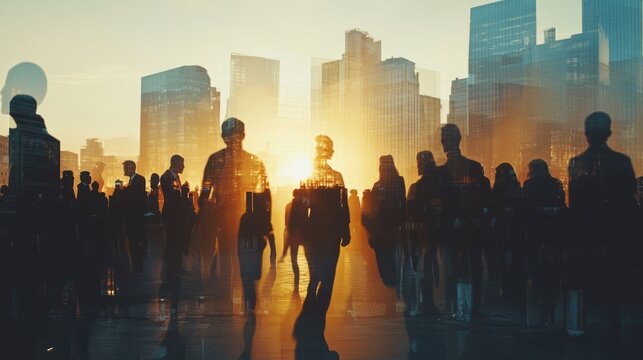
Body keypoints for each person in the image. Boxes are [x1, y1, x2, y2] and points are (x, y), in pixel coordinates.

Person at [568, 111, 637, 334]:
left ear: (586, 134)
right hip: (615, 232)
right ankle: (613, 327)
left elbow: (575, 204)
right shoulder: (621, 162)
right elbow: (629, 197)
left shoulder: (577, 163)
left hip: (588, 233)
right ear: (609, 133)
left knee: (587, 280)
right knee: (614, 282)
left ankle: (583, 324)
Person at [199, 118, 268, 310]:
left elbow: (205, 193)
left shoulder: (216, 160)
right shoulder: (253, 161)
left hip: (232, 218)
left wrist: (205, 215)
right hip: (243, 219)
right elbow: (263, 195)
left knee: (229, 256)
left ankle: (230, 296)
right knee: (238, 257)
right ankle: (245, 294)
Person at [294, 135, 350, 354]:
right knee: (327, 276)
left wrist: (299, 230)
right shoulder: (336, 176)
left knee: (318, 273)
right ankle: (318, 313)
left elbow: (302, 206)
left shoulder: (309, 176)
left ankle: (313, 305)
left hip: (315, 230)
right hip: (330, 231)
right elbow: (343, 205)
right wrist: (345, 229)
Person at [438, 124, 490, 321]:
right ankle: (468, 307)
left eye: (447, 138)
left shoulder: (443, 172)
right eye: (444, 138)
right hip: (466, 227)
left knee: (457, 267)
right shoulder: (472, 168)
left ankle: (458, 307)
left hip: (461, 228)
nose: (445, 142)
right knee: (466, 266)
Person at [523, 159, 566, 326]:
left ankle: (540, 305)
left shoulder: (530, 185)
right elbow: (561, 207)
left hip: (537, 234)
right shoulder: (555, 183)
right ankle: (550, 306)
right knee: (551, 271)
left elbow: (526, 209)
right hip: (552, 234)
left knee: (538, 271)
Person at [406, 151, 442, 314]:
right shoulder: (437, 185)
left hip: (425, 232)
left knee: (425, 266)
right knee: (428, 266)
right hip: (431, 232)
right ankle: (427, 302)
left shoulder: (417, 187)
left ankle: (426, 302)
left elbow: (409, 212)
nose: (419, 166)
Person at [364, 155, 406, 290]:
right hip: (384, 231)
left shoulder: (391, 183)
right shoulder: (380, 185)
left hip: (388, 230)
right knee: (387, 265)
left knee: (388, 264)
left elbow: (401, 204)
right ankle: (391, 297)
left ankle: (391, 298)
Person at [490, 163, 524, 303]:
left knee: (510, 260)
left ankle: (510, 291)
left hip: (510, 230)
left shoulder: (509, 190)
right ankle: (510, 291)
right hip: (506, 231)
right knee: (506, 260)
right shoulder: (514, 189)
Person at [161, 155, 187, 279]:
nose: (184, 167)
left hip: (177, 214)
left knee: (177, 241)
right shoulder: (167, 177)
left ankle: (176, 267)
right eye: (182, 164)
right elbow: (172, 196)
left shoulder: (175, 177)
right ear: (176, 164)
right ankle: (172, 269)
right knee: (172, 241)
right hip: (172, 215)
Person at [122, 160, 147, 273]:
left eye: (125, 168)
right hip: (133, 218)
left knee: (135, 243)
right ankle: (137, 266)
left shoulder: (138, 180)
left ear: (131, 168)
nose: (124, 170)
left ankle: (138, 267)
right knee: (134, 243)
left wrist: (125, 192)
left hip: (135, 218)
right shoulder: (133, 181)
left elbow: (135, 198)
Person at [281, 189, 306, 290]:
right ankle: (298, 283)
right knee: (307, 258)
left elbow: (286, 222)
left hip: (292, 233)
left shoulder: (288, 205)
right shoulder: (304, 205)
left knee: (293, 258)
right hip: (301, 233)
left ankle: (296, 283)